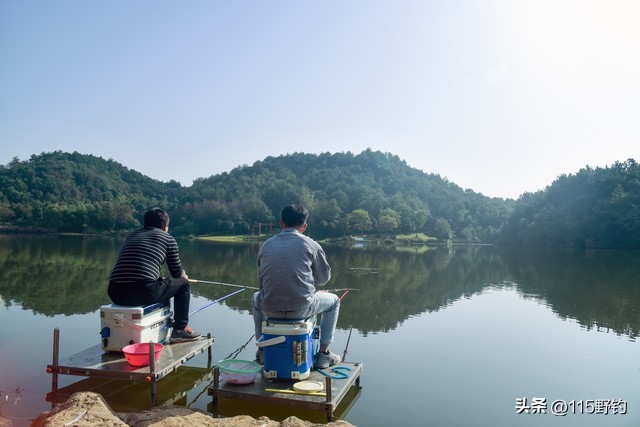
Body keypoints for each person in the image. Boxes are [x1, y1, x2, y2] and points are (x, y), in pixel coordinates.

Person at [252, 204, 341, 369]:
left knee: (256, 297)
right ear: (304, 226)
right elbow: (323, 279)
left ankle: (263, 351)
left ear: (281, 223)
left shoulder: (265, 245)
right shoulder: (312, 245)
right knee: (334, 301)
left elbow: (262, 281)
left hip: (269, 308)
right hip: (301, 308)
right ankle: (323, 355)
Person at [108, 208, 201, 343]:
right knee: (184, 284)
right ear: (165, 226)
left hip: (115, 293)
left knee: (159, 284)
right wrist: (183, 278)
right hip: (143, 292)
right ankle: (180, 330)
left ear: (145, 223)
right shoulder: (168, 239)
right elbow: (177, 274)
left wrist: (159, 280)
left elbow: (135, 269)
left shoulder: (131, 235)